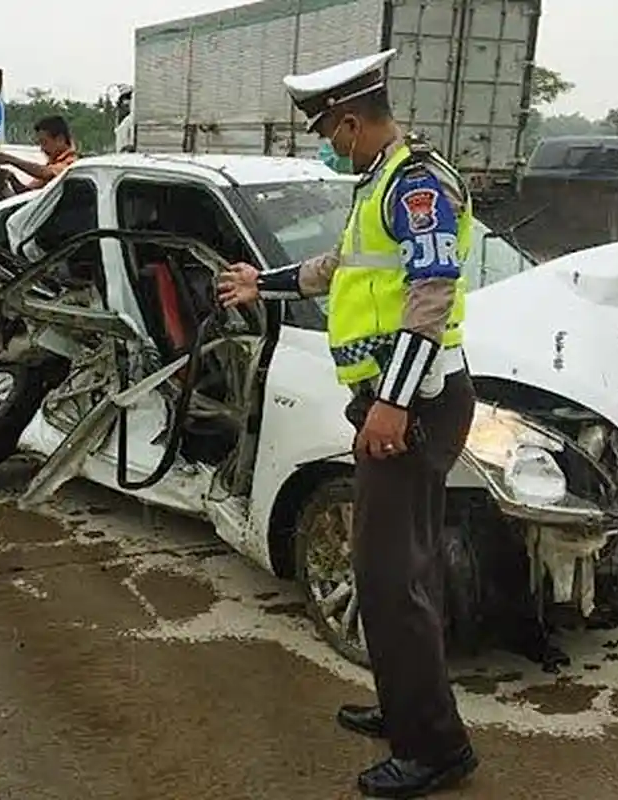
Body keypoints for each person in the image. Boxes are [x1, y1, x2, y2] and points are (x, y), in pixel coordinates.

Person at [217, 49, 477, 798]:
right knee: (403, 570)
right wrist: (259, 283)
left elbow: (429, 292)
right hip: (408, 397)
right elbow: (345, 267)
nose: (327, 144)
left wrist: (391, 403)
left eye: (330, 131)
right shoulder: (385, 180)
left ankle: (434, 748)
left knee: (390, 579)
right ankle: (408, 709)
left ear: (354, 121)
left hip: (416, 401)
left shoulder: (417, 184)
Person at [0, 115, 77, 191]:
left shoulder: (72, 163)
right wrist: (11, 178)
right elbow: (30, 194)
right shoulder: (52, 163)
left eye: (44, 142)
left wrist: (10, 160)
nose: (42, 149)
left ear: (60, 139)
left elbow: (46, 173)